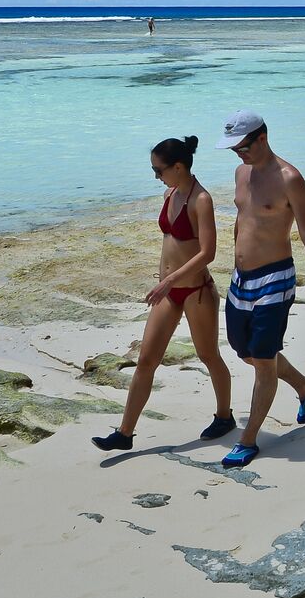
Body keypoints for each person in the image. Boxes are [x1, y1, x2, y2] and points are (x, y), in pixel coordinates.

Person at [92, 135, 236, 451]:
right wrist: (163, 278)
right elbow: (169, 243)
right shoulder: (171, 194)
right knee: (146, 360)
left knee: (208, 355)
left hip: (196, 291)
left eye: (159, 170)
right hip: (168, 294)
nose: (156, 176)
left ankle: (225, 416)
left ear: (178, 166)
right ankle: (125, 433)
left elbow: (208, 253)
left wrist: (169, 281)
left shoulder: (202, 200)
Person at [215, 111, 305, 467]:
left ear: (263, 138)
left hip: (274, 280)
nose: (239, 155)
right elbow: (243, 218)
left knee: (263, 362)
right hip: (241, 280)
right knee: (246, 352)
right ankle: (304, 386)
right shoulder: (241, 172)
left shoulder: (290, 179)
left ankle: (248, 440)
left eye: (243, 147)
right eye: (234, 149)